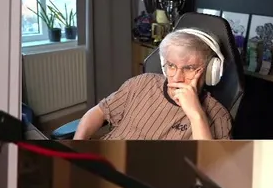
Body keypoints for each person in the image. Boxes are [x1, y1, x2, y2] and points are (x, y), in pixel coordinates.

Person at [73, 28, 232, 140]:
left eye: (189, 68)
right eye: (171, 65)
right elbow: (99, 111)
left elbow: (209, 171)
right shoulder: (141, 83)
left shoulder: (218, 116)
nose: (177, 77)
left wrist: (196, 115)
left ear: (210, 72)